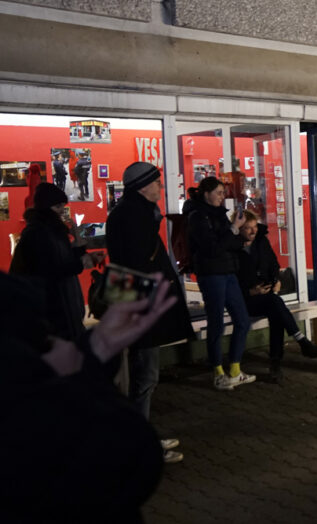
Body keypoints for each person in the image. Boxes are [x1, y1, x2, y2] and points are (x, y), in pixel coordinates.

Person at [0, 270, 176, 524]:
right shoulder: (35, 416)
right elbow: (134, 459)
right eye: (46, 342)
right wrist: (74, 379)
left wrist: (95, 350)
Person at [106, 162, 195, 463]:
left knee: (142, 373)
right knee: (144, 375)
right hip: (141, 304)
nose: (160, 187)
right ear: (143, 186)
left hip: (134, 302)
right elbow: (139, 264)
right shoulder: (136, 216)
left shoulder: (129, 214)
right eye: (156, 182)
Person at [234, 209, 317, 381]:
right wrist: (250, 291)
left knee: (275, 311)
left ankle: (277, 363)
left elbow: (273, 263)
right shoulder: (232, 249)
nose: (253, 231)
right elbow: (230, 281)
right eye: (248, 228)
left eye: (254, 227)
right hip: (244, 300)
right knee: (275, 306)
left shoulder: (261, 242)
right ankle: (298, 343)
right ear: (238, 229)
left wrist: (276, 281)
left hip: (267, 295)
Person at [185, 177, 254, 390]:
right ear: (206, 193)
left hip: (228, 271)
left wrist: (234, 236)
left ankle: (234, 369)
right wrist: (233, 229)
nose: (222, 197)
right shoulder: (197, 216)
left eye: (224, 193)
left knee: (242, 319)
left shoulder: (219, 215)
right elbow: (212, 249)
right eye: (219, 192)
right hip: (211, 274)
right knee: (216, 322)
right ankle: (218, 372)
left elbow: (229, 243)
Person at [9, 183, 102, 341]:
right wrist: (81, 263)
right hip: (49, 309)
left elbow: (66, 257)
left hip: (59, 306)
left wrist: (77, 236)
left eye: (63, 206)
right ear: (46, 207)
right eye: (58, 206)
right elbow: (52, 270)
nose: (62, 211)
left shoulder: (53, 230)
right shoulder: (37, 233)